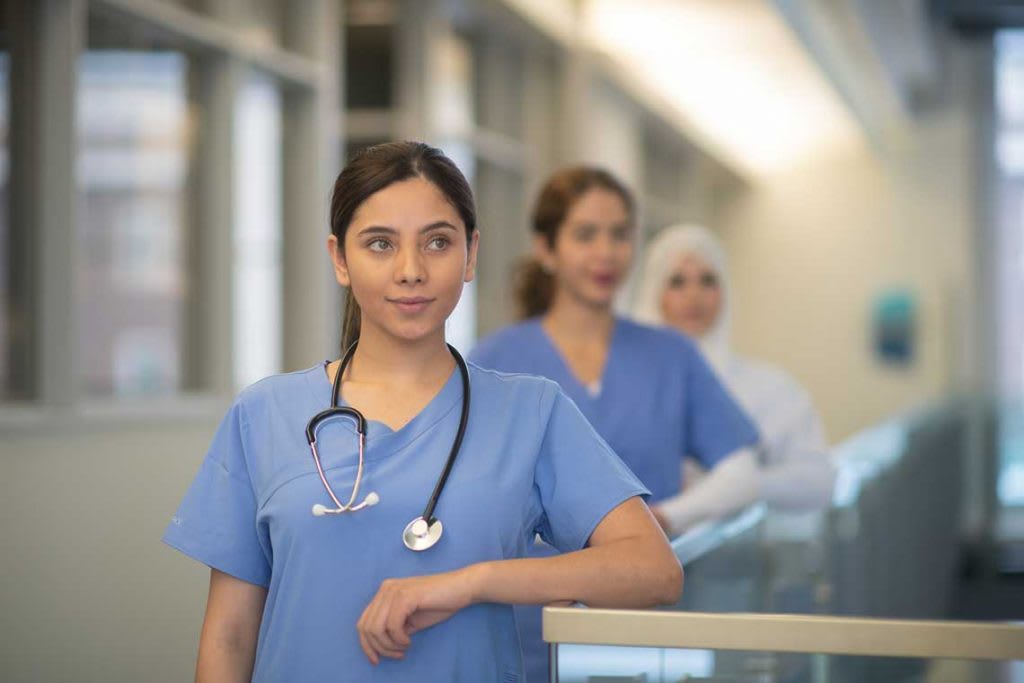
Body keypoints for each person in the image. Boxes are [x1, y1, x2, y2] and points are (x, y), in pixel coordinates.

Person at [162, 142, 681, 682]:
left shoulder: (530, 411)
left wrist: (471, 582)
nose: (411, 270)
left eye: (437, 242)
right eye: (380, 244)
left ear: (471, 255)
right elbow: (229, 637)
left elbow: (652, 571)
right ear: (340, 258)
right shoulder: (263, 415)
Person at [469, 166, 760, 682]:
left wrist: (663, 519)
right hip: (526, 633)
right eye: (586, 235)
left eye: (620, 234)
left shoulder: (671, 356)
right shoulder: (495, 363)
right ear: (546, 248)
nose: (606, 252)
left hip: (644, 633)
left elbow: (742, 467)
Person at [632, 223, 834, 515]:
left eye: (708, 280)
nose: (694, 295)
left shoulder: (771, 389)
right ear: (654, 293)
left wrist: (740, 487)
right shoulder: (623, 386)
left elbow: (819, 480)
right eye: (677, 281)